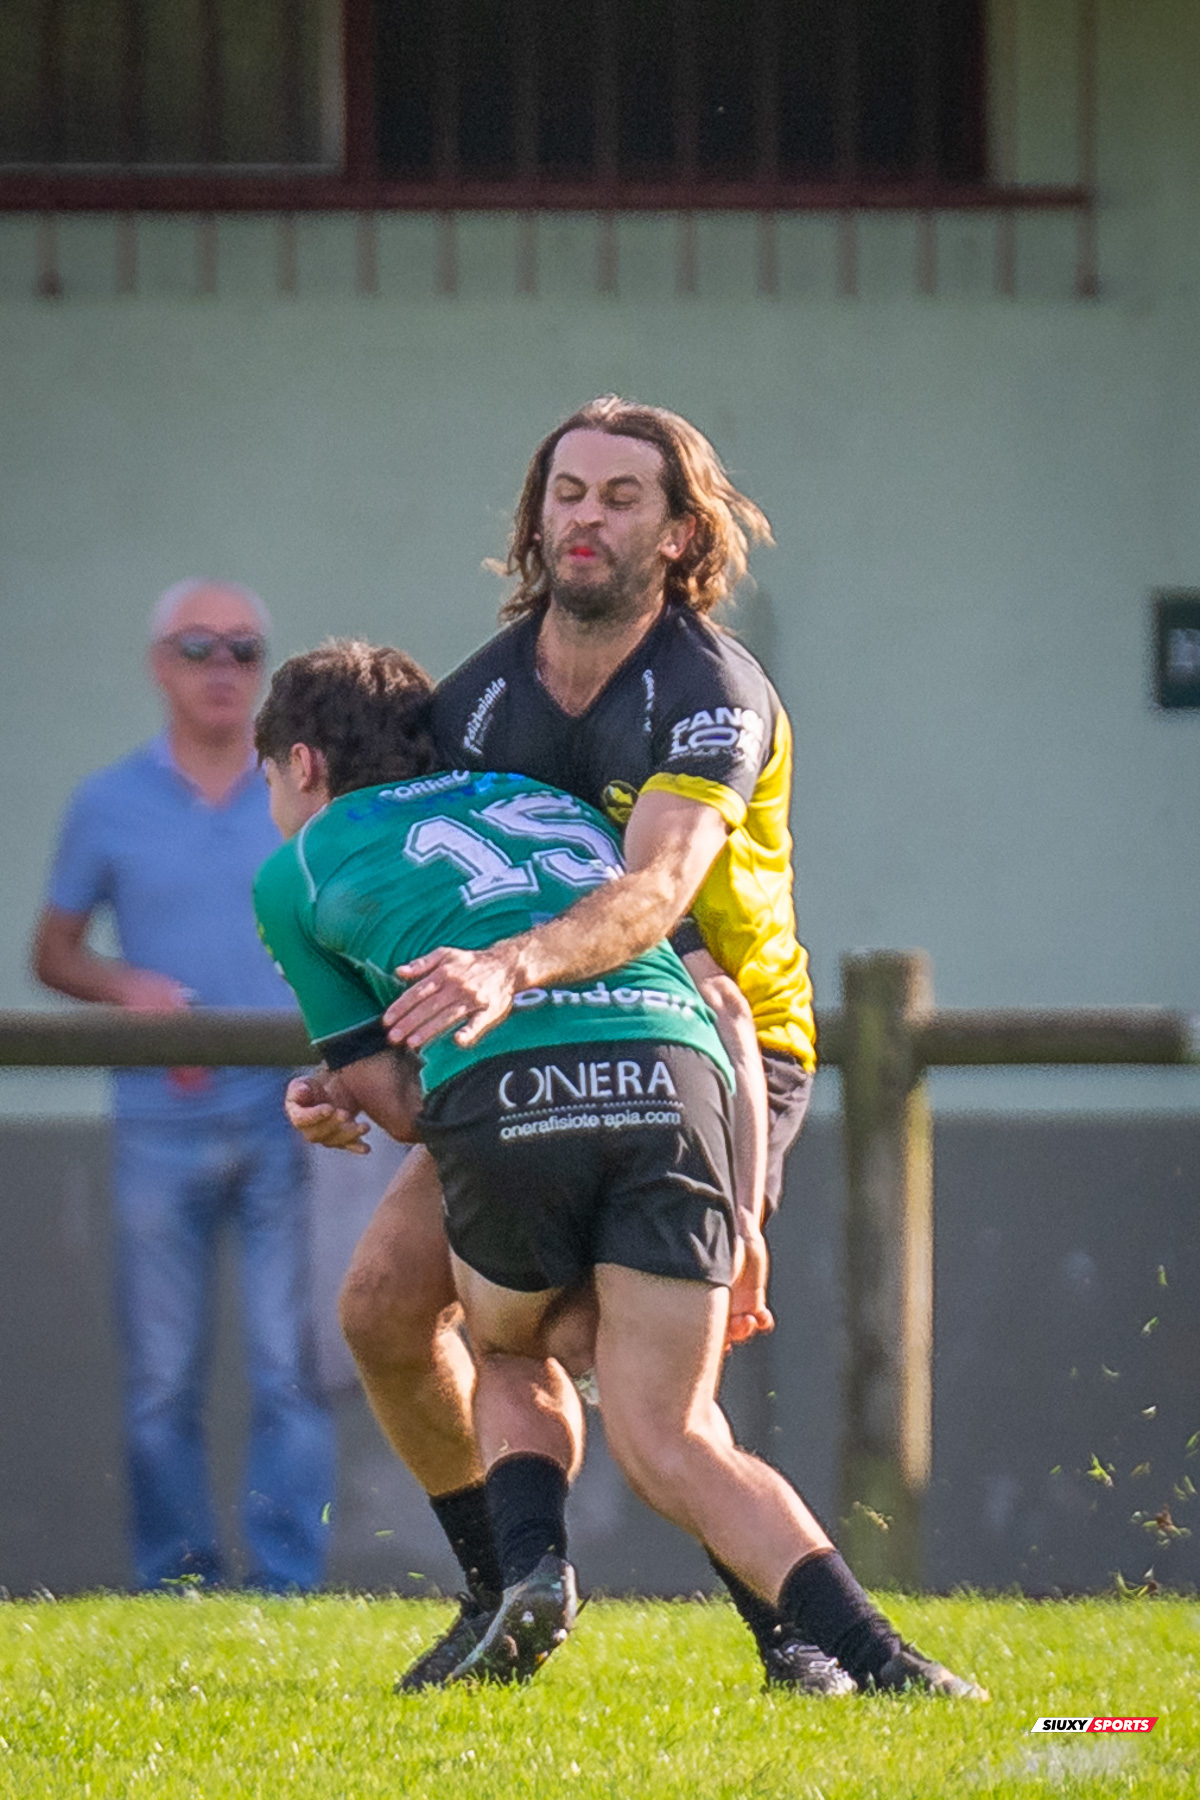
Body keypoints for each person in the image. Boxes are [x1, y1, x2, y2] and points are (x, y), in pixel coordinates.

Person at [255, 638, 985, 1699]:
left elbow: (408, 1111)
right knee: (654, 1415)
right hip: (681, 1073)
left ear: (304, 766)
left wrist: (344, 1091)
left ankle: (528, 1574)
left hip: (513, 1093)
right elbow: (720, 998)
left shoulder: (298, 866)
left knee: (513, 1342)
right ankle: (887, 1662)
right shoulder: (555, 803)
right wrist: (742, 1223)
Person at [319, 399, 831, 1687]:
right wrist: (355, 1066)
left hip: (716, 1040)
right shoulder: (478, 701)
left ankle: (805, 1645)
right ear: (535, 517)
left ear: (679, 532)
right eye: (566, 493)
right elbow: (433, 898)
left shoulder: (714, 688)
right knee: (385, 1306)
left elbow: (661, 898)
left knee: (630, 1376)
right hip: (519, 1034)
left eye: (619, 497)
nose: (584, 519)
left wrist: (516, 962)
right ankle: (505, 1589)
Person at [32, 580, 335, 1592]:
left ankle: (288, 1584)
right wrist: (132, 990)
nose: (221, 669)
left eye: (243, 650)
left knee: (289, 1372)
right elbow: (54, 953)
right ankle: (178, 1582)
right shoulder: (107, 802)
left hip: (284, 1118)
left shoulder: (298, 791)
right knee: (162, 1381)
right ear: (161, 665)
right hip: (158, 1123)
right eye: (198, 648)